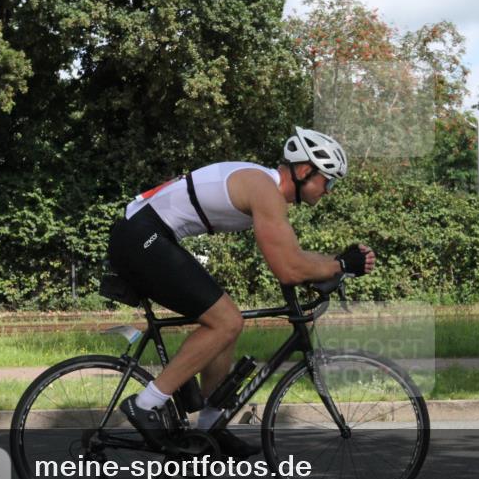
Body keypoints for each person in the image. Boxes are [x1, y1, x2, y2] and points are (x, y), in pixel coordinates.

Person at [107, 127, 376, 458]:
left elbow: (292, 258)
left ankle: (210, 427)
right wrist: (341, 265)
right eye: (329, 181)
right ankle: (146, 403)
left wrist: (335, 266)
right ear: (305, 170)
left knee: (226, 323)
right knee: (225, 321)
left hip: (149, 234)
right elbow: (288, 268)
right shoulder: (264, 189)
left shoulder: (265, 189)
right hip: (140, 236)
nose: (329, 191)